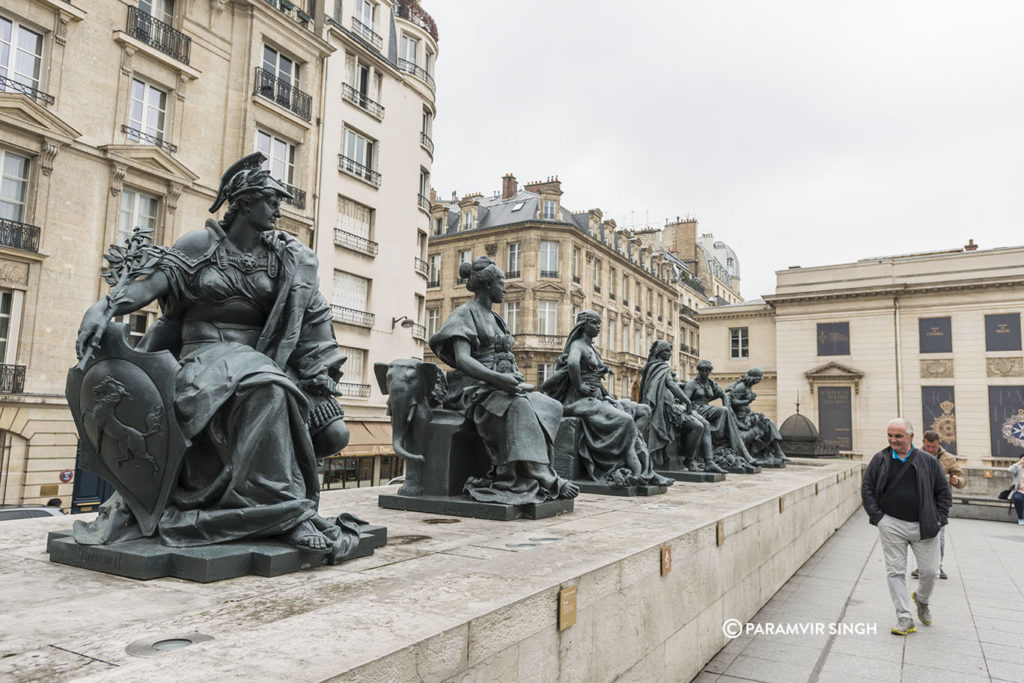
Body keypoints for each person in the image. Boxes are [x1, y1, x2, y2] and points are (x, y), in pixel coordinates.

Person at [74, 154, 359, 557]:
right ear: (243, 202)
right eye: (270, 200)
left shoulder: (284, 259)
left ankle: (258, 504)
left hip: (262, 362)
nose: (279, 209)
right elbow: (148, 286)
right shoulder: (200, 245)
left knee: (322, 425)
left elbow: (312, 315)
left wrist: (319, 371)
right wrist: (103, 308)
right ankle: (285, 512)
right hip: (200, 362)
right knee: (267, 391)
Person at [429, 256, 580, 504]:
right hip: (474, 387)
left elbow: (504, 358)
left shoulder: (497, 319)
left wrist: (514, 379)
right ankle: (540, 473)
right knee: (519, 406)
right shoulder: (464, 313)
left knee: (552, 405)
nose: (505, 288)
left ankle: (526, 468)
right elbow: (464, 360)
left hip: (501, 384)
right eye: (501, 282)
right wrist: (498, 380)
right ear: (488, 285)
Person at [541, 311, 673, 487]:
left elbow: (593, 376)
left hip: (598, 398)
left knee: (644, 411)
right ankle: (639, 468)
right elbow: (573, 363)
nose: (598, 327)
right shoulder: (578, 345)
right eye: (594, 323)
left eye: (599, 323)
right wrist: (579, 385)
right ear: (584, 324)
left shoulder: (592, 349)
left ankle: (632, 457)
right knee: (626, 420)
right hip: (580, 401)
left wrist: (608, 394)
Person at [862, 418, 952, 635]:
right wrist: (879, 518)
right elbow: (867, 489)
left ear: (911, 437)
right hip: (891, 524)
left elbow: (943, 493)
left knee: (930, 572)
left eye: (898, 436)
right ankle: (904, 617)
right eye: (890, 436)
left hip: (925, 526)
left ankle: (921, 600)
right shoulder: (880, 459)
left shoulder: (928, 461)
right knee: (895, 571)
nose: (893, 440)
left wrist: (938, 519)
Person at [638, 341, 724, 474]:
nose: (670, 354)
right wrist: (687, 401)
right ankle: (689, 460)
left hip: (672, 405)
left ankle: (709, 462)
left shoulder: (656, 366)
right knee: (698, 426)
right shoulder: (660, 366)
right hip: (665, 408)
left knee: (705, 424)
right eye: (667, 351)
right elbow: (671, 385)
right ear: (659, 352)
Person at [912, 431, 966, 579]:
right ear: (923, 442)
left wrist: (957, 481)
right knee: (920, 536)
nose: (930, 450)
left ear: (939, 444)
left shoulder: (948, 458)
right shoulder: (914, 455)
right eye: (928, 446)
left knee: (939, 536)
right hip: (919, 501)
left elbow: (962, 478)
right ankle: (923, 566)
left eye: (934, 447)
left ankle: (938, 565)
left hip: (939, 503)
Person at [681, 360, 756, 464]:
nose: (705, 373)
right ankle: (718, 436)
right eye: (702, 370)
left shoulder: (711, 384)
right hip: (696, 409)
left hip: (706, 408)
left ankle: (721, 436)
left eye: (707, 371)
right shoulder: (692, 384)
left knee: (724, 410)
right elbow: (685, 400)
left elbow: (723, 395)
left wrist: (728, 407)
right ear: (699, 371)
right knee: (723, 410)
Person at [726, 368, 788, 463]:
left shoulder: (748, 386)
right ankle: (776, 451)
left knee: (769, 423)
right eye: (758, 378)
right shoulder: (741, 386)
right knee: (766, 423)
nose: (759, 381)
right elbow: (732, 401)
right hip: (741, 418)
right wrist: (748, 400)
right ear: (753, 377)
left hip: (747, 415)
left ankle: (777, 451)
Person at [1009, 454, 1024, 525]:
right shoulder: (1018, 468)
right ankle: (1020, 518)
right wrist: (1019, 462)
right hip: (1019, 491)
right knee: (1017, 498)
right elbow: (1009, 470)